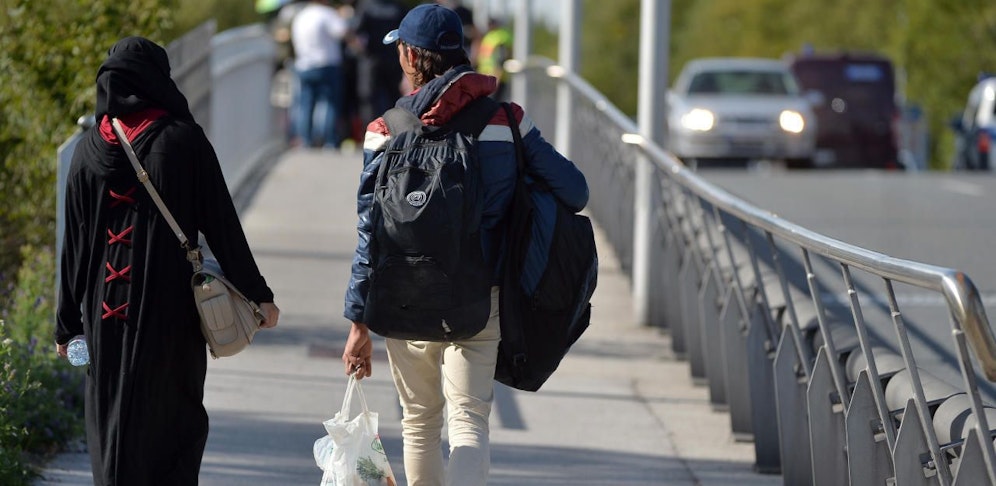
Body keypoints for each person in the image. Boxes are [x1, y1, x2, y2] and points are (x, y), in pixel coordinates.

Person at [341, 5, 589, 484]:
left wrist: (358, 321)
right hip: (480, 296)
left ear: (412, 56)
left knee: (419, 423)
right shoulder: (507, 121)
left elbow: (369, 232)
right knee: (469, 421)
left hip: (403, 295)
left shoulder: (383, 130)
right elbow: (575, 192)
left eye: (400, 49)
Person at [55, 37, 280, 485]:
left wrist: (67, 325)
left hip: (103, 317)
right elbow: (222, 226)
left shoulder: (87, 151)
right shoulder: (183, 142)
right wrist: (258, 295)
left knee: (111, 421)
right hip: (169, 311)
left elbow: (74, 247)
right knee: (174, 423)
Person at [291, 0, 349, 148]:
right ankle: (328, 140)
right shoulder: (327, 14)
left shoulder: (300, 16)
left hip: (304, 65)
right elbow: (343, 32)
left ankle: (306, 140)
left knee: (305, 104)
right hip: (326, 64)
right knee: (329, 104)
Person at [349, 0, 407, 125]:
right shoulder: (396, 6)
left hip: (377, 60)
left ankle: (377, 130)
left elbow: (355, 32)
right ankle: (389, 129)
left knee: (373, 98)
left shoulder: (366, 5)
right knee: (378, 98)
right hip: (382, 59)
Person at [476, 18, 513, 101]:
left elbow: (502, 58)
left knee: (494, 103)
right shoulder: (489, 36)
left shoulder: (501, 36)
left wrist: (497, 76)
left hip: (496, 78)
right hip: (486, 77)